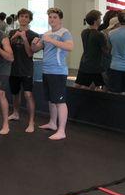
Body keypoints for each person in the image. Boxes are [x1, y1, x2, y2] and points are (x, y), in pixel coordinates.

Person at [32, 7, 73, 140]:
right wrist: (34, 44)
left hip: (58, 71)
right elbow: (36, 49)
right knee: (51, 99)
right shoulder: (47, 33)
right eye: (50, 17)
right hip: (46, 70)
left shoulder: (64, 32)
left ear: (60, 19)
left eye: (55, 17)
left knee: (60, 101)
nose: (52, 19)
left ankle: (62, 130)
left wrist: (51, 40)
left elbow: (70, 47)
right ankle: (52, 123)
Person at [7, 8, 39, 133]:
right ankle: (15, 113)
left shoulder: (34, 35)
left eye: (26, 17)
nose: (23, 19)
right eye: (21, 16)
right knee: (15, 93)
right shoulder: (11, 33)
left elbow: (30, 53)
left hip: (26, 70)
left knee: (28, 94)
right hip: (13, 69)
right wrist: (13, 38)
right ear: (18, 18)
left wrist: (24, 39)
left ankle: (31, 121)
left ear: (29, 19)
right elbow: (7, 49)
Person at [74, 10, 107, 90]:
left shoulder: (84, 32)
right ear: (96, 21)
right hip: (95, 65)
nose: (101, 20)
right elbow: (105, 50)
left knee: (80, 85)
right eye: (100, 18)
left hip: (84, 63)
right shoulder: (99, 35)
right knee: (97, 86)